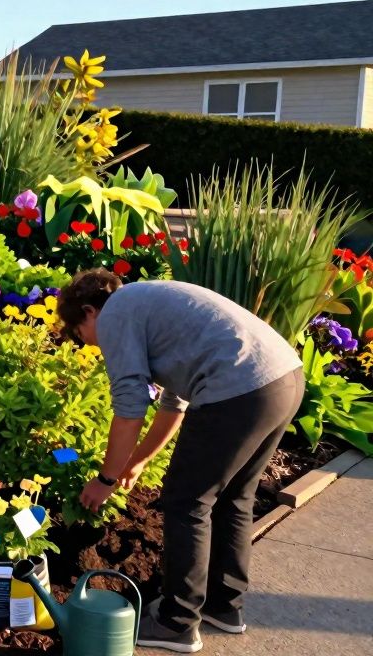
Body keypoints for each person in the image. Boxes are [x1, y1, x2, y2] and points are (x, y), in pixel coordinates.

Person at [57, 269, 304, 654]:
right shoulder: (147, 301)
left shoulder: (116, 313)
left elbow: (130, 407)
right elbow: (175, 401)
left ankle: (176, 623)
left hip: (237, 391)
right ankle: (224, 607)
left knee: (187, 502)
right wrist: (138, 460)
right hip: (282, 379)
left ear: (89, 311)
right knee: (234, 497)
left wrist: (105, 479)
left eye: (78, 332)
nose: (86, 342)